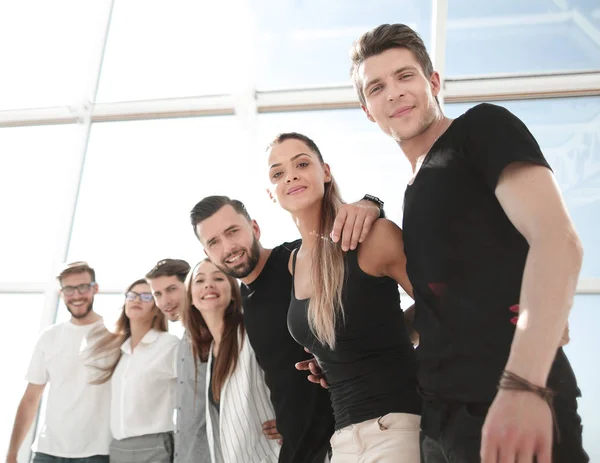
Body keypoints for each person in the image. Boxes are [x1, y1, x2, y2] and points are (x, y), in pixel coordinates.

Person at [349, 23, 588, 462]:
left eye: (405, 76)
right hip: (438, 421)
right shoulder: (412, 191)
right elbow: (441, 305)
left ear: (433, 82)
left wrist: (524, 385)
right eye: (377, 87)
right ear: (368, 110)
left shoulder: (481, 129)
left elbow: (557, 241)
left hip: (506, 400)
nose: (394, 93)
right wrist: (350, 348)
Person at [190, 195, 382, 462]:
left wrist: (371, 203)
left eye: (232, 231)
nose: (228, 247)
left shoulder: (297, 259)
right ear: (207, 253)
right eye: (214, 242)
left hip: (349, 443)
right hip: (297, 450)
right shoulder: (246, 302)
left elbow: (365, 248)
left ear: (254, 228)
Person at [267, 132, 421, 462]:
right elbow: (363, 329)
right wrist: (336, 354)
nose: (290, 175)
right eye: (278, 173)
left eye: (302, 163)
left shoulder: (374, 235)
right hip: (344, 440)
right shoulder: (294, 263)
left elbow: (441, 307)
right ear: (271, 193)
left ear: (325, 171)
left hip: (397, 427)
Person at [6, 262, 111, 463]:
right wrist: (12, 454)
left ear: (95, 288)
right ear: (61, 292)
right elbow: (30, 398)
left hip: (97, 452)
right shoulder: (49, 337)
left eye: (83, 287)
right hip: (47, 452)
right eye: (69, 289)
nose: (77, 295)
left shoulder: (114, 334)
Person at [184, 258, 280, 463]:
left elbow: (295, 377)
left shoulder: (252, 330)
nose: (209, 284)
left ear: (233, 292)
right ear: (191, 297)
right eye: (199, 281)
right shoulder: (211, 352)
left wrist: (292, 419)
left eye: (218, 278)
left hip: (276, 454)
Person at [85, 279, 179, 463]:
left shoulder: (169, 344)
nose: (137, 300)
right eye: (132, 295)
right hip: (119, 447)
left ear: (156, 308)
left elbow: (191, 392)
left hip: (155, 445)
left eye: (146, 296)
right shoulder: (122, 351)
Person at [146, 259, 211, 463]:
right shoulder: (183, 340)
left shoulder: (211, 332)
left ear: (189, 285)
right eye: (158, 294)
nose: (165, 301)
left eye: (171, 289)